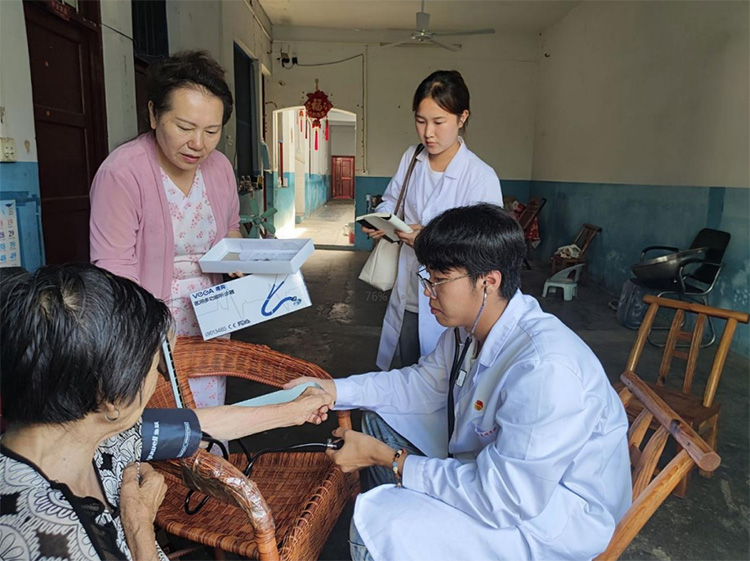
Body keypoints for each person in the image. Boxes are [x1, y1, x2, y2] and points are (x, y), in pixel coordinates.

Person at [289, 204, 631, 561]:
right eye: (428, 277)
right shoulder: (469, 330)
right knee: (378, 422)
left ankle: (406, 528)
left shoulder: (546, 369)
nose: (427, 291)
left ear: (488, 281)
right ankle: (411, 519)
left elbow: (505, 498)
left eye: (439, 280)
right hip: (499, 472)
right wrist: (334, 390)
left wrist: (390, 459)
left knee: (377, 527)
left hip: (549, 518)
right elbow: (420, 385)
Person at [0, 264, 333, 561]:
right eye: (153, 365)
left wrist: (292, 411)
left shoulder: (87, 430)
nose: (159, 376)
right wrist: (140, 529)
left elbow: (192, 427)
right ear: (111, 397)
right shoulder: (43, 539)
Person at [90, 51, 241, 409]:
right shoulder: (122, 173)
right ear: (153, 114)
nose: (199, 144)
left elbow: (231, 229)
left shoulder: (219, 168)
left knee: (206, 416)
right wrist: (150, 338)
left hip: (210, 319)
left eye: (212, 131)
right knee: (160, 421)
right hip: (146, 324)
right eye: (185, 128)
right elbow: (113, 270)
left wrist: (244, 259)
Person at [363, 70, 503, 371]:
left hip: (456, 300)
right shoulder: (411, 158)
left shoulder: (480, 177)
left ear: (462, 117)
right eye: (420, 120)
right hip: (410, 293)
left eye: (439, 122)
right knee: (409, 369)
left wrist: (430, 239)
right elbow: (392, 199)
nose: (428, 133)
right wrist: (383, 221)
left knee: (447, 377)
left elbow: (489, 247)